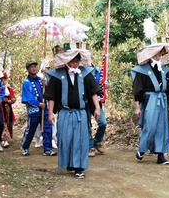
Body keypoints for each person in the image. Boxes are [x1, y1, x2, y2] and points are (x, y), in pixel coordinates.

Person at [44, 45, 101, 179]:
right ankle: (70, 162)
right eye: (72, 61)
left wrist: (97, 108)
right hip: (65, 112)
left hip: (81, 113)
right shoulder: (57, 75)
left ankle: (79, 167)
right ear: (66, 61)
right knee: (66, 138)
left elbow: (93, 92)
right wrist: (51, 113)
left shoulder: (86, 74)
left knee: (80, 140)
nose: (74, 64)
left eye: (77, 61)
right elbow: (51, 96)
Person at [130, 43, 169, 165]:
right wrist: (137, 108)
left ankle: (161, 156)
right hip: (150, 101)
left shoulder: (165, 70)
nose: (158, 56)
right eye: (156, 53)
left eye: (160, 53)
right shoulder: (143, 70)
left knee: (162, 128)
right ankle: (142, 149)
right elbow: (137, 91)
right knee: (150, 127)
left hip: (163, 100)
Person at [21, 61, 56, 156]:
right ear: (28, 69)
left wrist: (47, 85)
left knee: (47, 127)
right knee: (31, 128)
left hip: (45, 108)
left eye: (35, 67)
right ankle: (25, 147)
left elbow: (48, 92)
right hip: (34, 109)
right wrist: (38, 104)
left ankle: (47, 149)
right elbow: (28, 97)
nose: (33, 68)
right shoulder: (26, 82)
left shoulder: (41, 80)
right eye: (31, 67)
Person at [89, 66, 109, 157]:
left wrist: (107, 85)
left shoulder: (99, 71)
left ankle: (96, 142)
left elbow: (105, 82)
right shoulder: (79, 70)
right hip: (84, 102)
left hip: (97, 101)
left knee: (103, 123)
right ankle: (90, 147)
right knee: (87, 125)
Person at [0, 72, 16, 148]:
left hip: (8, 109)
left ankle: (5, 138)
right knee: (2, 123)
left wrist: (12, 100)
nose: (4, 81)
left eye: (5, 79)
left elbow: (13, 97)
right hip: (0, 108)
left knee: (8, 122)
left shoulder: (9, 89)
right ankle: (4, 139)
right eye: (2, 79)